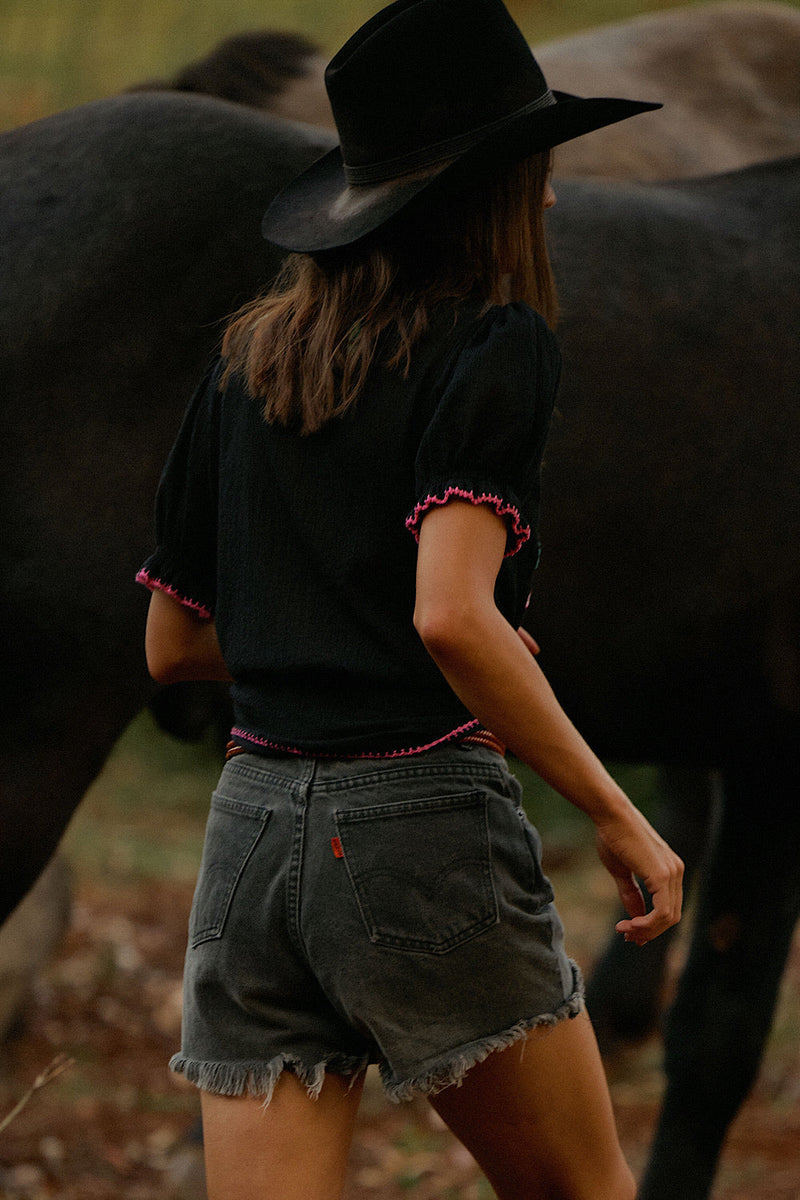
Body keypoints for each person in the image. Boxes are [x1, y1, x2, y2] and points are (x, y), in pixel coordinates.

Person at [137, 2, 683, 1197]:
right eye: (532, 171)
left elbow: (172, 644)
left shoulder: (244, 360)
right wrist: (617, 814)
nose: (549, 199)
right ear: (482, 192)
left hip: (247, 832)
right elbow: (450, 615)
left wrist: (336, 638)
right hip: (416, 826)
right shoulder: (495, 346)